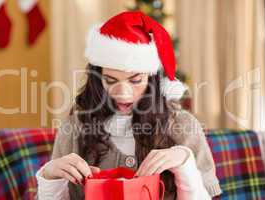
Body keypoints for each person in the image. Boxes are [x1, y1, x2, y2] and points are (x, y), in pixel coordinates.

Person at [36, 11, 222, 199]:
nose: (123, 94)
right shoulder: (74, 127)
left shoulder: (183, 125)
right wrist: (50, 177)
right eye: (110, 80)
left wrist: (184, 163)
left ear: (151, 79)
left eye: (135, 81)